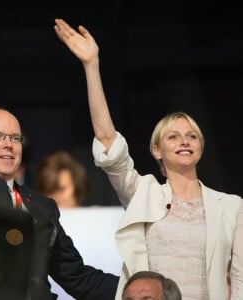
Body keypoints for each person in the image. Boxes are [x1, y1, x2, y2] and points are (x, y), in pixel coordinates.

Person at [54, 18, 243, 300]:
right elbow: (108, 140)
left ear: (200, 148)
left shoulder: (231, 206)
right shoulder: (143, 192)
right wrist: (91, 66)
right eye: (173, 136)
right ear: (157, 150)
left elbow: (240, 277)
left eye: (191, 136)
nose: (183, 141)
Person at [0, 107, 119, 299]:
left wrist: (132, 288)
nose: (8, 144)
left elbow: (78, 277)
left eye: (15, 138)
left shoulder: (43, 207)